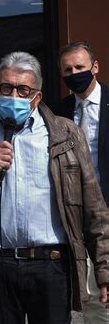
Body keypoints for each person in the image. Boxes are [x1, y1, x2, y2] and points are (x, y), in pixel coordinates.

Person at [0, 51, 109, 324]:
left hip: (51, 265)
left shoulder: (66, 134)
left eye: (23, 89)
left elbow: (94, 207)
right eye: (6, 88)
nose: (13, 95)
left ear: (36, 96)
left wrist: (104, 270)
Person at [54, 41, 109, 324]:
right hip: (76, 214)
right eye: (67, 69)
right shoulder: (56, 112)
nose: (74, 73)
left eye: (80, 67)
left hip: (107, 209)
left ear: (95, 68)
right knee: (92, 298)